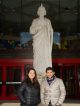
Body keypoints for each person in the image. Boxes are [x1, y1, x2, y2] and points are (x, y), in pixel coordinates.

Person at [30, 4, 53, 74]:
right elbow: (31, 31)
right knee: (37, 55)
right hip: (37, 42)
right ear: (38, 12)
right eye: (40, 10)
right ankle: (37, 71)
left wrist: (49, 30)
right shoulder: (35, 21)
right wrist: (39, 28)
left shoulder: (47, 21)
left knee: (45, 55)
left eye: (43, 11)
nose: (41, 12)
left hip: (45, 42)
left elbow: (51, 31)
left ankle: (46, 70)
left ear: (45, 12)